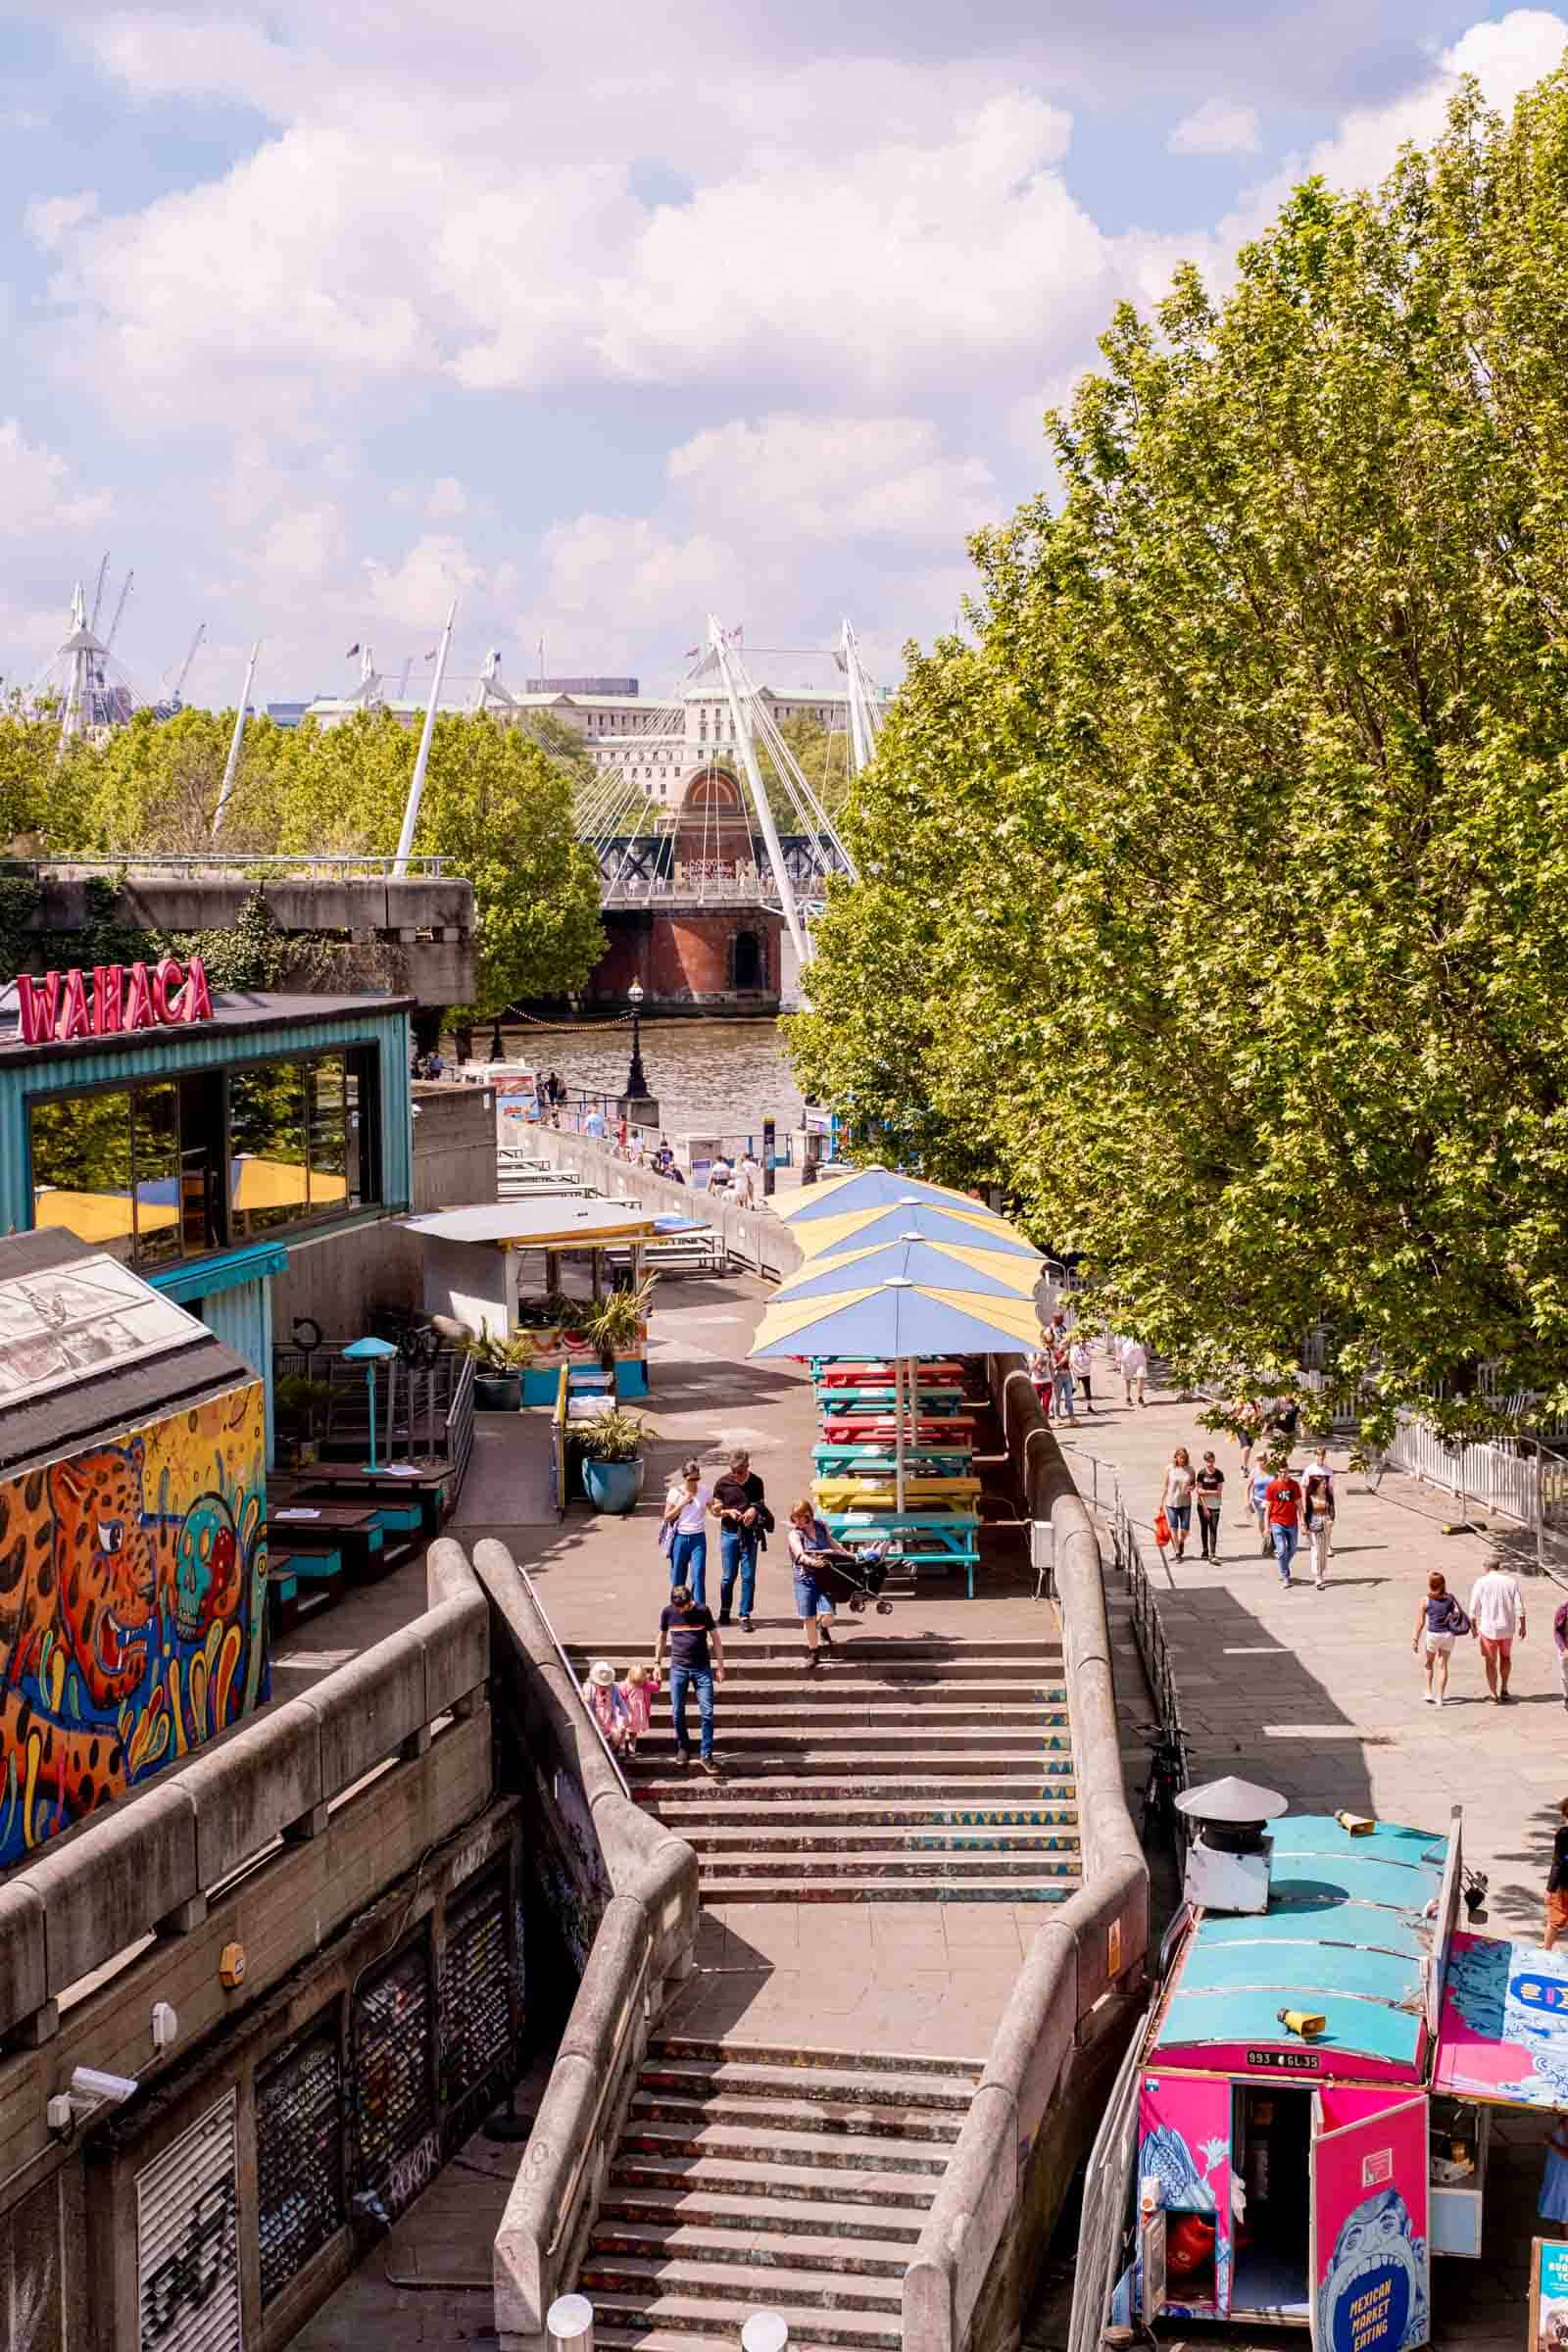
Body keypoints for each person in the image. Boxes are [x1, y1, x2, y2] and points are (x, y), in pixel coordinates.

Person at [654, 1583, 723, 1775]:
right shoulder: (668, 1613)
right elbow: (661, 1637)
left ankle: (706, 1754)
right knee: (677, 1712)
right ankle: (683, 1746)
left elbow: (715, 1638)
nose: (680, 1610)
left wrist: (720, 1665)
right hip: (679, 1668)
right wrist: (657, 1664)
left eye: (682, 1606)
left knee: (707, 1712)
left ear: (690, 1601)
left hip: (702, 1668)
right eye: (677, 1607)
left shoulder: (703, 1611)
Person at [786, 1499, 849, 1671]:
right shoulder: (794, 1534)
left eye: (801, 1517)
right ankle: (814, 1652)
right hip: (804, 1578)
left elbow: (831, 1542)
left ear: (809, 1516)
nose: (798, 1522)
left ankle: (823, 1628)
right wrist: (812, 1562)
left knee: (828, 1616)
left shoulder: (820, 1526)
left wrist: (846, 1554)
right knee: (808, 1618)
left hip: (825, 1577)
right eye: (794, 1518)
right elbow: (799, 1554)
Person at [710, 1446, 769, 1629]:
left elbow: (760, 1504)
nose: (736, 1475)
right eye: (733, 1472)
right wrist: (728, 1512)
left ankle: (744, 1615)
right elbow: (715, 1509)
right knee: (728, 1576)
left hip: (749, 1534)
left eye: (740, 1472)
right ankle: (725, 1610)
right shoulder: (722, 1483)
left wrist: (753, 1510)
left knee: (748, 1576)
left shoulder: (756, 1482)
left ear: (747, 1466)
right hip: (729, 1533)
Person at [1468, 1561, 1526, 1702]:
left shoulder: (1481, 1582)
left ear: (1486, 1568)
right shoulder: (1511, 1582)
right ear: (1498, 1567)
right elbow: (1519, 1606)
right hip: (1507, 1627)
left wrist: (1473, 1627)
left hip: (1488, 1629)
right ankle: (1504, 1689)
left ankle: (1493, 1695)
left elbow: (1473, 1607)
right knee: (1506, 1657)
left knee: (1490, 1661)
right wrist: (1523, 1626)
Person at [1413, 1571, 1470, 1706]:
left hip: (1433, 1635)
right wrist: (1451, 1616)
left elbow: (1420, 1622)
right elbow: (1457, 1613)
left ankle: (1428, 1692)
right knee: (1443, 1665)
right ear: (1443, 1584)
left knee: (1428, 1663)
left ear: (1430, 1584)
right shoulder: (1450, 1598)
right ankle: (1441, 1697)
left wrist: (1415, 1639)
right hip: (1448, 1635)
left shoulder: (1425, 1600)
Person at [662, 1459, 711, 1607]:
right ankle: (677, 1610)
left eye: (697, 1478)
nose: (694, 1482)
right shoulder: (675, 1492)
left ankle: (700, 1610)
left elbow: (713, 1509)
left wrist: (720, 1509)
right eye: (691, 1479)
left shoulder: (705, 1492)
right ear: (685, 1477)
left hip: (698, 1538)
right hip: (680, 1538)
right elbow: (667, 1516)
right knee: (678, 1576)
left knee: (698, 1575)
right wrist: (682, 1504)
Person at [1264, 1458, 1303, 1588]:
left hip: (1292, 1522)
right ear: (1278, 1472)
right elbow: (1268, 1508)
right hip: (1277, 1521)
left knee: (1292, 1548)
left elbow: (1299, 1505)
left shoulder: (1294, 1485)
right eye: (1281, 1472)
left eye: (1286, 1472)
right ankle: (1285, 1575)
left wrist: (1303, 1522)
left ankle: (1283, 1566)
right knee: (1281, 1550)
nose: (1284, 1474)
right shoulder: (1272, 1486)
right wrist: (1266, 1527)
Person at [1302, 1446, 1336, 1589]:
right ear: (1314, 1456)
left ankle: (1322, 1573)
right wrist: (1305, 1513)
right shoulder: (1309, 1470)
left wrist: (1332, 1515)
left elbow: (1331, 1492)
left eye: (1322, 1456)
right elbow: (1304, 1489)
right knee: (1316, 1548)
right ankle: (1317, 1576)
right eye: (1318, 1456)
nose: (1320, 1458)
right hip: (1314, 1514)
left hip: (1325, 1514)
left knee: (1324, 1549)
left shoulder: (1328, 1471)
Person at [581, 1658, 628, 1751]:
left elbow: (620, 1702)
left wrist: (625, 1714)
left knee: (618, 1734)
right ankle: (600, 1751)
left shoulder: (613, 1688)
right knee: (596, 1737)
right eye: (601, 1684)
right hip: (596, 1719)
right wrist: (586, 1698)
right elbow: (586, 1697)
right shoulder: (589, 1687)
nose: (605, 1686)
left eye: (606, 1684)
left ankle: (612, 1749)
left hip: (609, 1719)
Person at [1161, 1446, 1196, 1562]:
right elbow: (1166, 1485)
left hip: (1185, 1502)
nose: (1182, 1460)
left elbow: (1193, 1484)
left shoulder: (1190, 1469)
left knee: (1185, 1528)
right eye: (1181, 1458)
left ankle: (1181, 1542)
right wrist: (1161, 1501)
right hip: (1171, 1502)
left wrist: (1190, 1488)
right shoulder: (1169, 1468)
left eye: (1184, 1458)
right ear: (1176, 1457)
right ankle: (1177, 1552)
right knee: (1173, 1527)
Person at [1545, 1797, 1568, 1953]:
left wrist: (1550, 1888)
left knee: (1555, 1918)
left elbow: (1558, 1864)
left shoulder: (1563, 1835)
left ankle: (1546, 1949)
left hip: (1565, 1886)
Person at [620, 1661, 656, 1757]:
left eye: (640, 1682)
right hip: (628, 1712)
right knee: (624, 1731)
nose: (639, 1685)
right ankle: (622, 1749)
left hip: (638, 1713)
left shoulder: (645, 1684)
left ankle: (632, 1750)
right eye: (636, 1683)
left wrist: (658, 1679)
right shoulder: (626, 1685)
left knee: (634, 1733)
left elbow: (656, 1688)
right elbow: (621, 1697)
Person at [1195, 1451, 1225, 1561]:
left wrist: (1205, 1491)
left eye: (1211, 1461)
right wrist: (1204, 1507)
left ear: (1214, 1460)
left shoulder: (1219, 1474)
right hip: (1203, 1505)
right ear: (1205, 1461)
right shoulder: (1201, 1473)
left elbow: (1219, 1492)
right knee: (1204, 1528)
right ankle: (1205, 1550)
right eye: (1207, 1461)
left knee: (1213, 1529)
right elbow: (1198, 1491)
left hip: (1215, 1505)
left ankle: (1212, 1553)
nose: (1210, 1463)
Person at [1540, 2112, 1568, 2225]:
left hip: (1563, 2176)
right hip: (1560, 2174)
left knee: (1565, 2217)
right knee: (1564, 2217)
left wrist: (1551, 2142)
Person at [1249, 1454, 1273, 1553]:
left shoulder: (1272, 1470)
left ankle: (1270, 1540)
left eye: (1263, 1460)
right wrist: (1249, 1502)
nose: (1261, 1462)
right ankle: (1266, 1539)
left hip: (1271, 1500)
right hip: (1258, 1500)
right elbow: (1248, 1487)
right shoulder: (1254, 1472)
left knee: (1271, 1521)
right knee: (1262, 1520)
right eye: (1259, 1460)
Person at [1027, 1342, 1054, 1419]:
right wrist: (1039, 1360)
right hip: (1036, 1383)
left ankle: (1045, 1423)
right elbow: (1030, 1368)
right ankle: (1038, 1422)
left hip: (1047, 1382)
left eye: (1046, 1343)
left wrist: (1053, 1379)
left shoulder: (1049, 1351)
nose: (1044, 1345)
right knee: (1036, 1405)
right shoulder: (1032, 1352)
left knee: (1046, 1405)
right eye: (1043, 1343)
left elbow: (1051, 1366)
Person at [1121, 1337, 1149, 1408]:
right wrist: (1118, 1356)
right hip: (1127, 1360)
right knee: (1128, 1379)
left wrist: (1146, 1354)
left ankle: (1140, 1397)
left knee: (1141, 1377)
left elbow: (1146, 1344)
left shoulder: (1141, 1333)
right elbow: (1117, 1344)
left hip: (1140, 1360)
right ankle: (1128, 1397)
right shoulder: (1123, 1334)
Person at [1070, 1336, 1095, 1412]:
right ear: (1078, 1342)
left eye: (1084, 1341)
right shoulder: (1074, 1350)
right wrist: (1079, 1370)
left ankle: (1089, 1406)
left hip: (1086, 1372)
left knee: (1087, 1388)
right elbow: (1072, 1363)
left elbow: (1090, 1357)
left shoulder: (1088, 1348)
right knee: (1075, 1387)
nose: (1083, 1343)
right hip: (1076, 1372)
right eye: (1081, 1341)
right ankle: (1068, 1399)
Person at [1556, 1593, 1568, 1714]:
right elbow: (1558, 1632)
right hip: (1565, 1647)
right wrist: (1563, 1648)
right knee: (1565, 1676)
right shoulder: (1563, 1611)